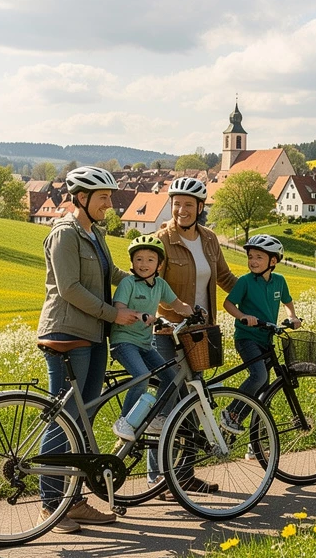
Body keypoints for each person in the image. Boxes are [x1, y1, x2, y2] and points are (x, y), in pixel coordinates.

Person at [37, 165, 142, 533]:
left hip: (94, 334)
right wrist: (114, 313)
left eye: (110, 197)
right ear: (81, 198)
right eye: (103, 198)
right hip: (67, 333)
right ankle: (52, 505)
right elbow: (69, 288)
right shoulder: (64, 234)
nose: (109, 204)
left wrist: (148, 284)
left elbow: (112, 274)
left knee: (83, 418)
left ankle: (73, 500)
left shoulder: (94, 233)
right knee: (65, 417)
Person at [148, 176, 237, 485]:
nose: (181, 210)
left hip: (199, 333)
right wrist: (178, 309)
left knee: (194, 403)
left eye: (188, 204)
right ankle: (158, 478)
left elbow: (224, 277)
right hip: (167, 333)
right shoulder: (161, 240)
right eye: (177, 204)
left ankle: (184, 476)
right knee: (166, 403)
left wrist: (256, 297)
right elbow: (151, 285)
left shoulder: (209, 239)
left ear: (200, 207)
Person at [109, 235, 195, 441]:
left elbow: (177, 304)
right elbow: (119, 309)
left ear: (159, 264)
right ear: (132, 262)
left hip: (145, 344)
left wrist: (193, 312)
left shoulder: (160, 285)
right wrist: (140, 315)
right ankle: (124, 421)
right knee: (142, 377)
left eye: (150, 259)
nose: (144, 264)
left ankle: (158, 418)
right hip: (124, 341)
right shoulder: (128, 283)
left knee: (171, 377)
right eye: (139, 259)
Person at [220, 234, 301, 432]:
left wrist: (292, 316)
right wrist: (242, 316)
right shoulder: (245, 282)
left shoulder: (279, 281)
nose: (253, 261)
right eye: (250, 257)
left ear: (273, 261)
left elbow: (287, 301)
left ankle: (256, 436)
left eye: (259, 257)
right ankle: (231, 414)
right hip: (247, 338)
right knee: (258, 376)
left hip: (267, 339)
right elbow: (228, 303)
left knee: (264, 389)